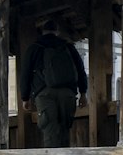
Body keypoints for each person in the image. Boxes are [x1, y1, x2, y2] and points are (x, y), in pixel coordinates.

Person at [19, 19, 88, 147]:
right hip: (68, 94)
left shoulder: (35, 48)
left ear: (43, 32)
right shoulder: (68, 47)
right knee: (64, 130)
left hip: (45, 94)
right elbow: (80, 70)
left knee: (50, 131)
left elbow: (25, 73)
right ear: (57, 32)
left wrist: (25, 97)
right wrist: (83, 93)